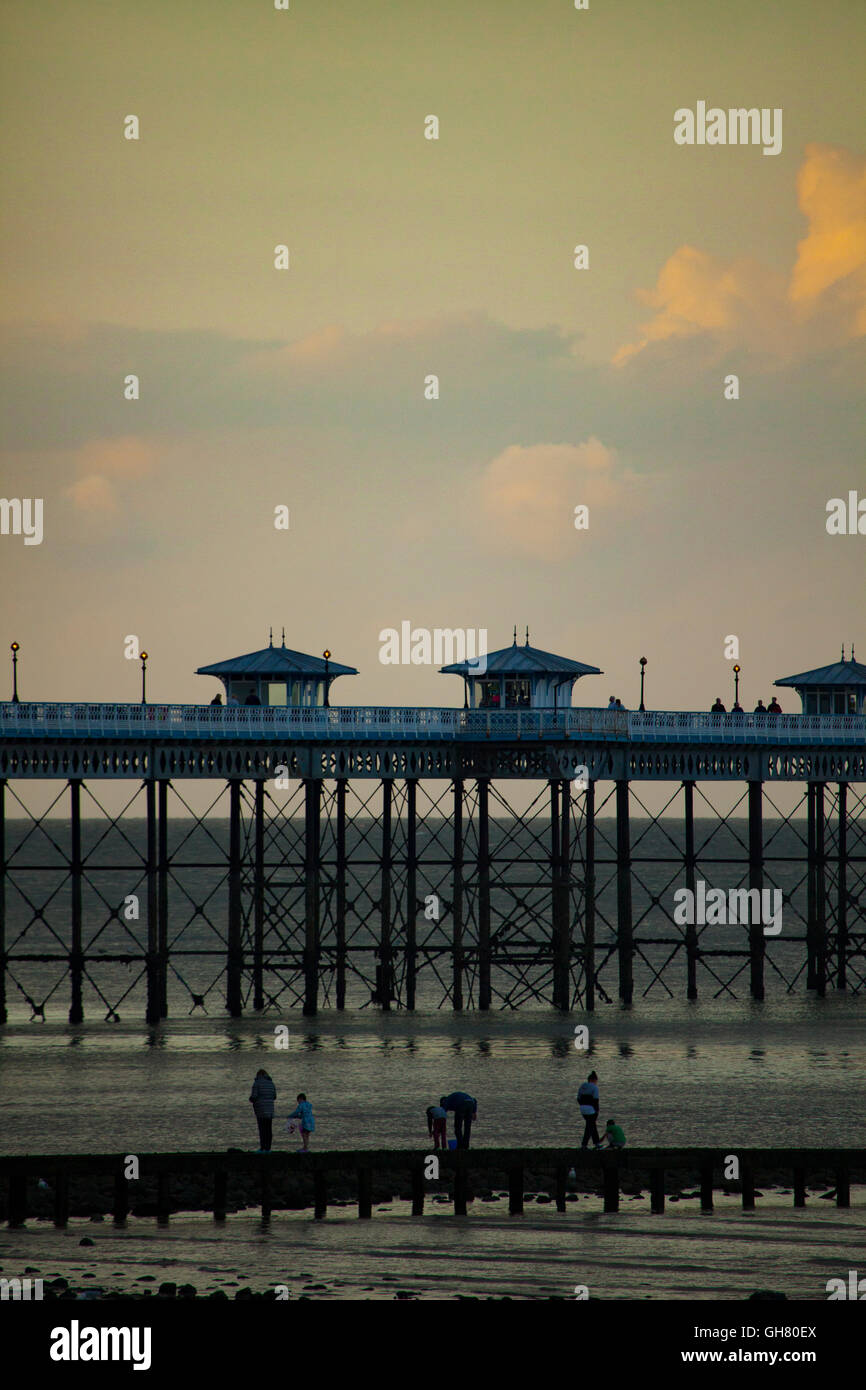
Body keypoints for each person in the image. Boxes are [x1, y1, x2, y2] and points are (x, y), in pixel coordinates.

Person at [249, 1069, 276, 1153]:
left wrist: (251, 1099)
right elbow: (274, 1096)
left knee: (262, 1129)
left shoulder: (257, 1083)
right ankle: (268, 1148)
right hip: (270, 1110)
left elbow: (254, 1096)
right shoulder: (271, 1083)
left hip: (260, 1110)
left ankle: (262, 1148)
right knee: (268, 1129)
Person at [577, 1071, 601, 1149]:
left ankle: (597, 1143)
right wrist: (597, 1110)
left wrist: (582, 1105)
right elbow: (596, 1100)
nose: (596, 1082)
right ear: (593, 1080)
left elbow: (578, 1098)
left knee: (592, 1125)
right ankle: (584, 1145)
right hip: (591, 1110)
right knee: (589, 1127)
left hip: (582, 1109)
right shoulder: (594, 1087)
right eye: (596, 1081)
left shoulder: (582, 1086)